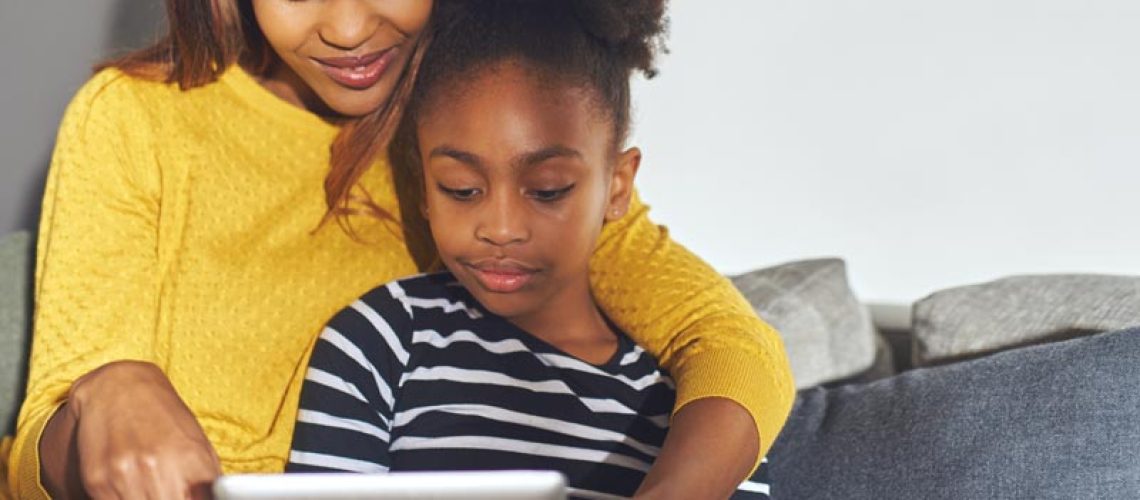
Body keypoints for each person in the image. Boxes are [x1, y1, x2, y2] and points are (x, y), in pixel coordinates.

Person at [4, 1, 794, 498]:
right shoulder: (134, 121)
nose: (346, 28)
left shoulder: (484, 131)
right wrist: (104, 390)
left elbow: (730, 348)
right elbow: (37, 455)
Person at [288, 1, 771, 498]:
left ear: (618, 187)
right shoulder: (382, 343)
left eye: (547, 190)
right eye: (461, 188)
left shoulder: (690, 415)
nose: (500, 228)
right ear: (423, 189)